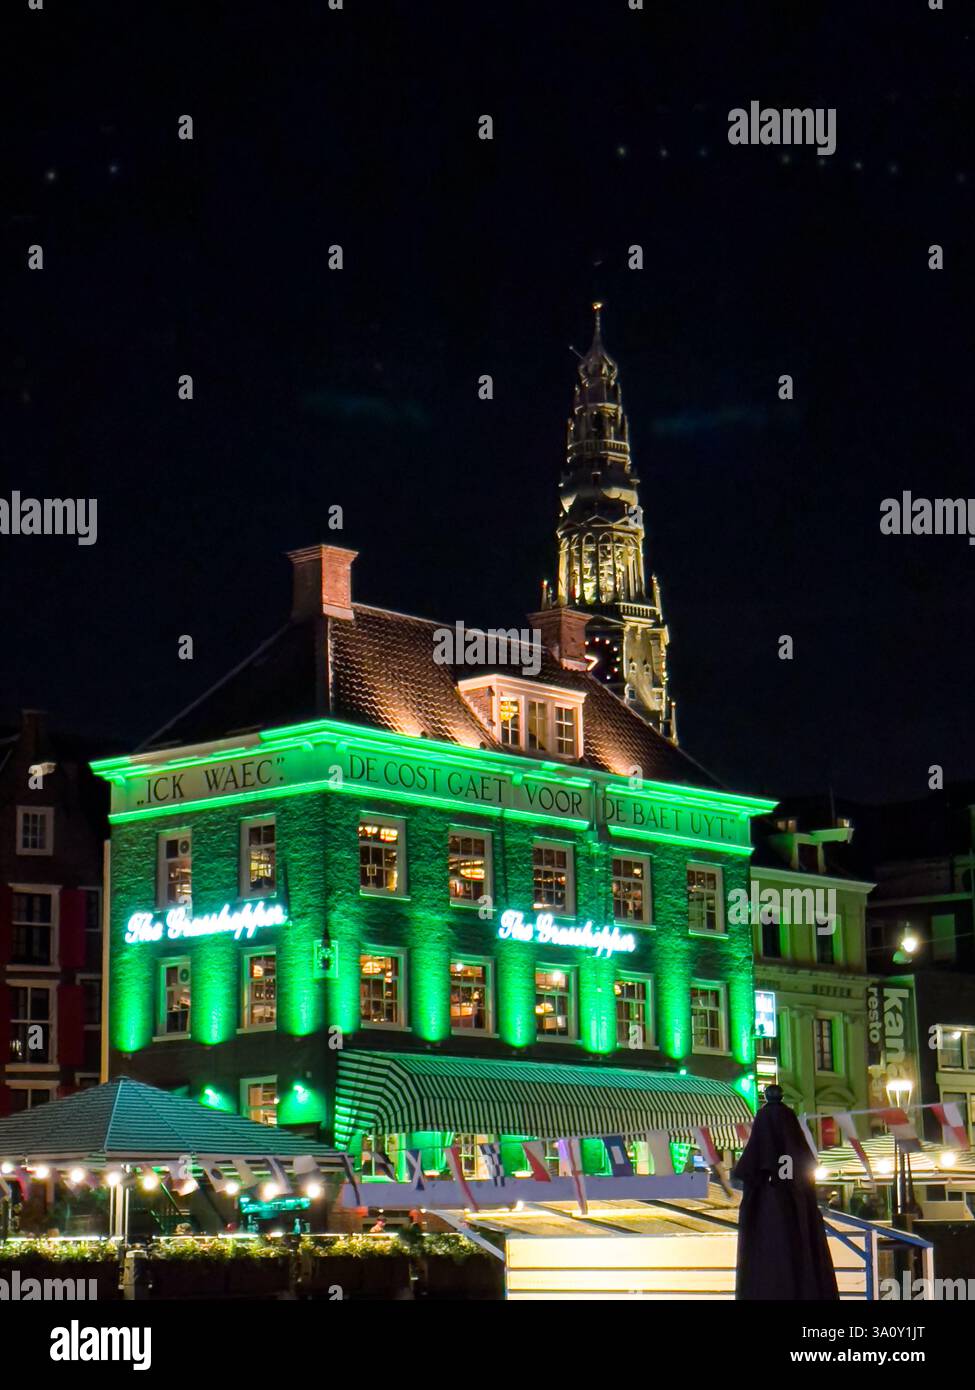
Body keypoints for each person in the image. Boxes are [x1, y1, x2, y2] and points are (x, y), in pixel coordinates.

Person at [732, 1085, 839, 1300]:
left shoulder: (759, 1172)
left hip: (765, 1229)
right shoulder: (797, 1160)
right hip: (797, 1219)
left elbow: (745, 1172)